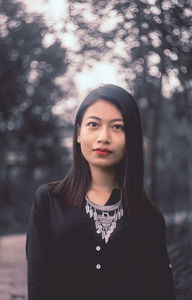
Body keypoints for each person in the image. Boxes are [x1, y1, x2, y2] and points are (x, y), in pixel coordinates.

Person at [26, 84, 176, 300]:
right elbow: (38, 288)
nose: (104, 137)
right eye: (93, 124)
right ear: (78, 133)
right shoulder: (49, 201)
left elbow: (161, 291)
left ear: (131, 140)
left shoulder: (149, 217)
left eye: (117, 127)